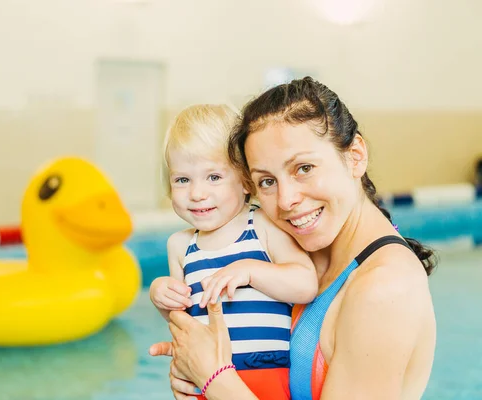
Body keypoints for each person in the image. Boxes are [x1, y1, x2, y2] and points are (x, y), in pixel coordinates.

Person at [149, 77, 437, 400]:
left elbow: (218, 374)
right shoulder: (308, 249)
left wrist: (213, 377)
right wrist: (189, 368)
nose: (285, 200)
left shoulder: (385, 288)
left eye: (304, 168)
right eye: (267, 181)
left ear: (355, 156)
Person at [149, 104, 318, 400]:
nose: (197, 193)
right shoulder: (180, 245)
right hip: (203, 381)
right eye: (182, 180)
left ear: (244, 181)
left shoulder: (263, 226)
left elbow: (306, 285)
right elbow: (184, 318)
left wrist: (250, 270)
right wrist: (160, 294)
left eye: (213, 177)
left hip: (267, 374)